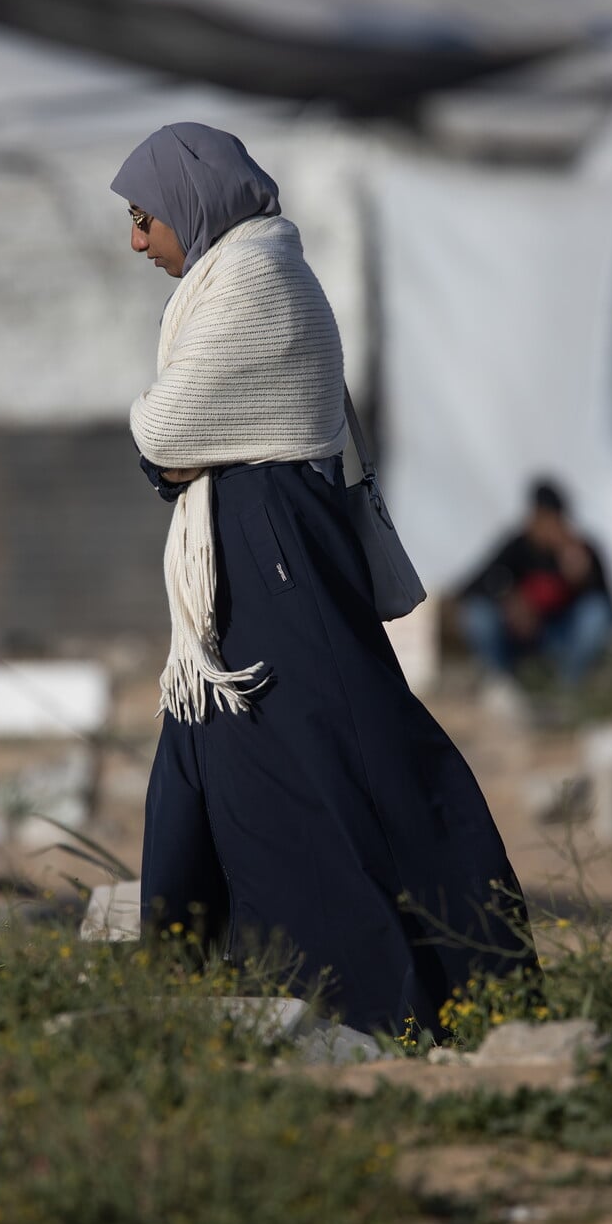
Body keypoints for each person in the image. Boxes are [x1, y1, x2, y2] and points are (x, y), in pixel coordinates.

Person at [114, 123, 534, 1037]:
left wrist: (177, 446)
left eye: (146, 217)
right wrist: (182, 451)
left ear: (192, 204)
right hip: (240, 561)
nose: (138, 241)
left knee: (332, 765)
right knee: (206, 772)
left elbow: (163, 431)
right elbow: (173, 447)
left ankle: (421, 991)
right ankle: (185, 995)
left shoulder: (257, 280)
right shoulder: (230, 278)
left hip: (275, 554)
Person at [459, 479, 612, 710]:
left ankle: (569, 690)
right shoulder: (516, 547)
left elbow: (610, 609)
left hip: (560, 640)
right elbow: (471, 587)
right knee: (477, 614)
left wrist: (584, 580)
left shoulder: (582, 551)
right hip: (518, 641)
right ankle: (502, 686)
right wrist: (509, 599)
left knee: (595, 612)